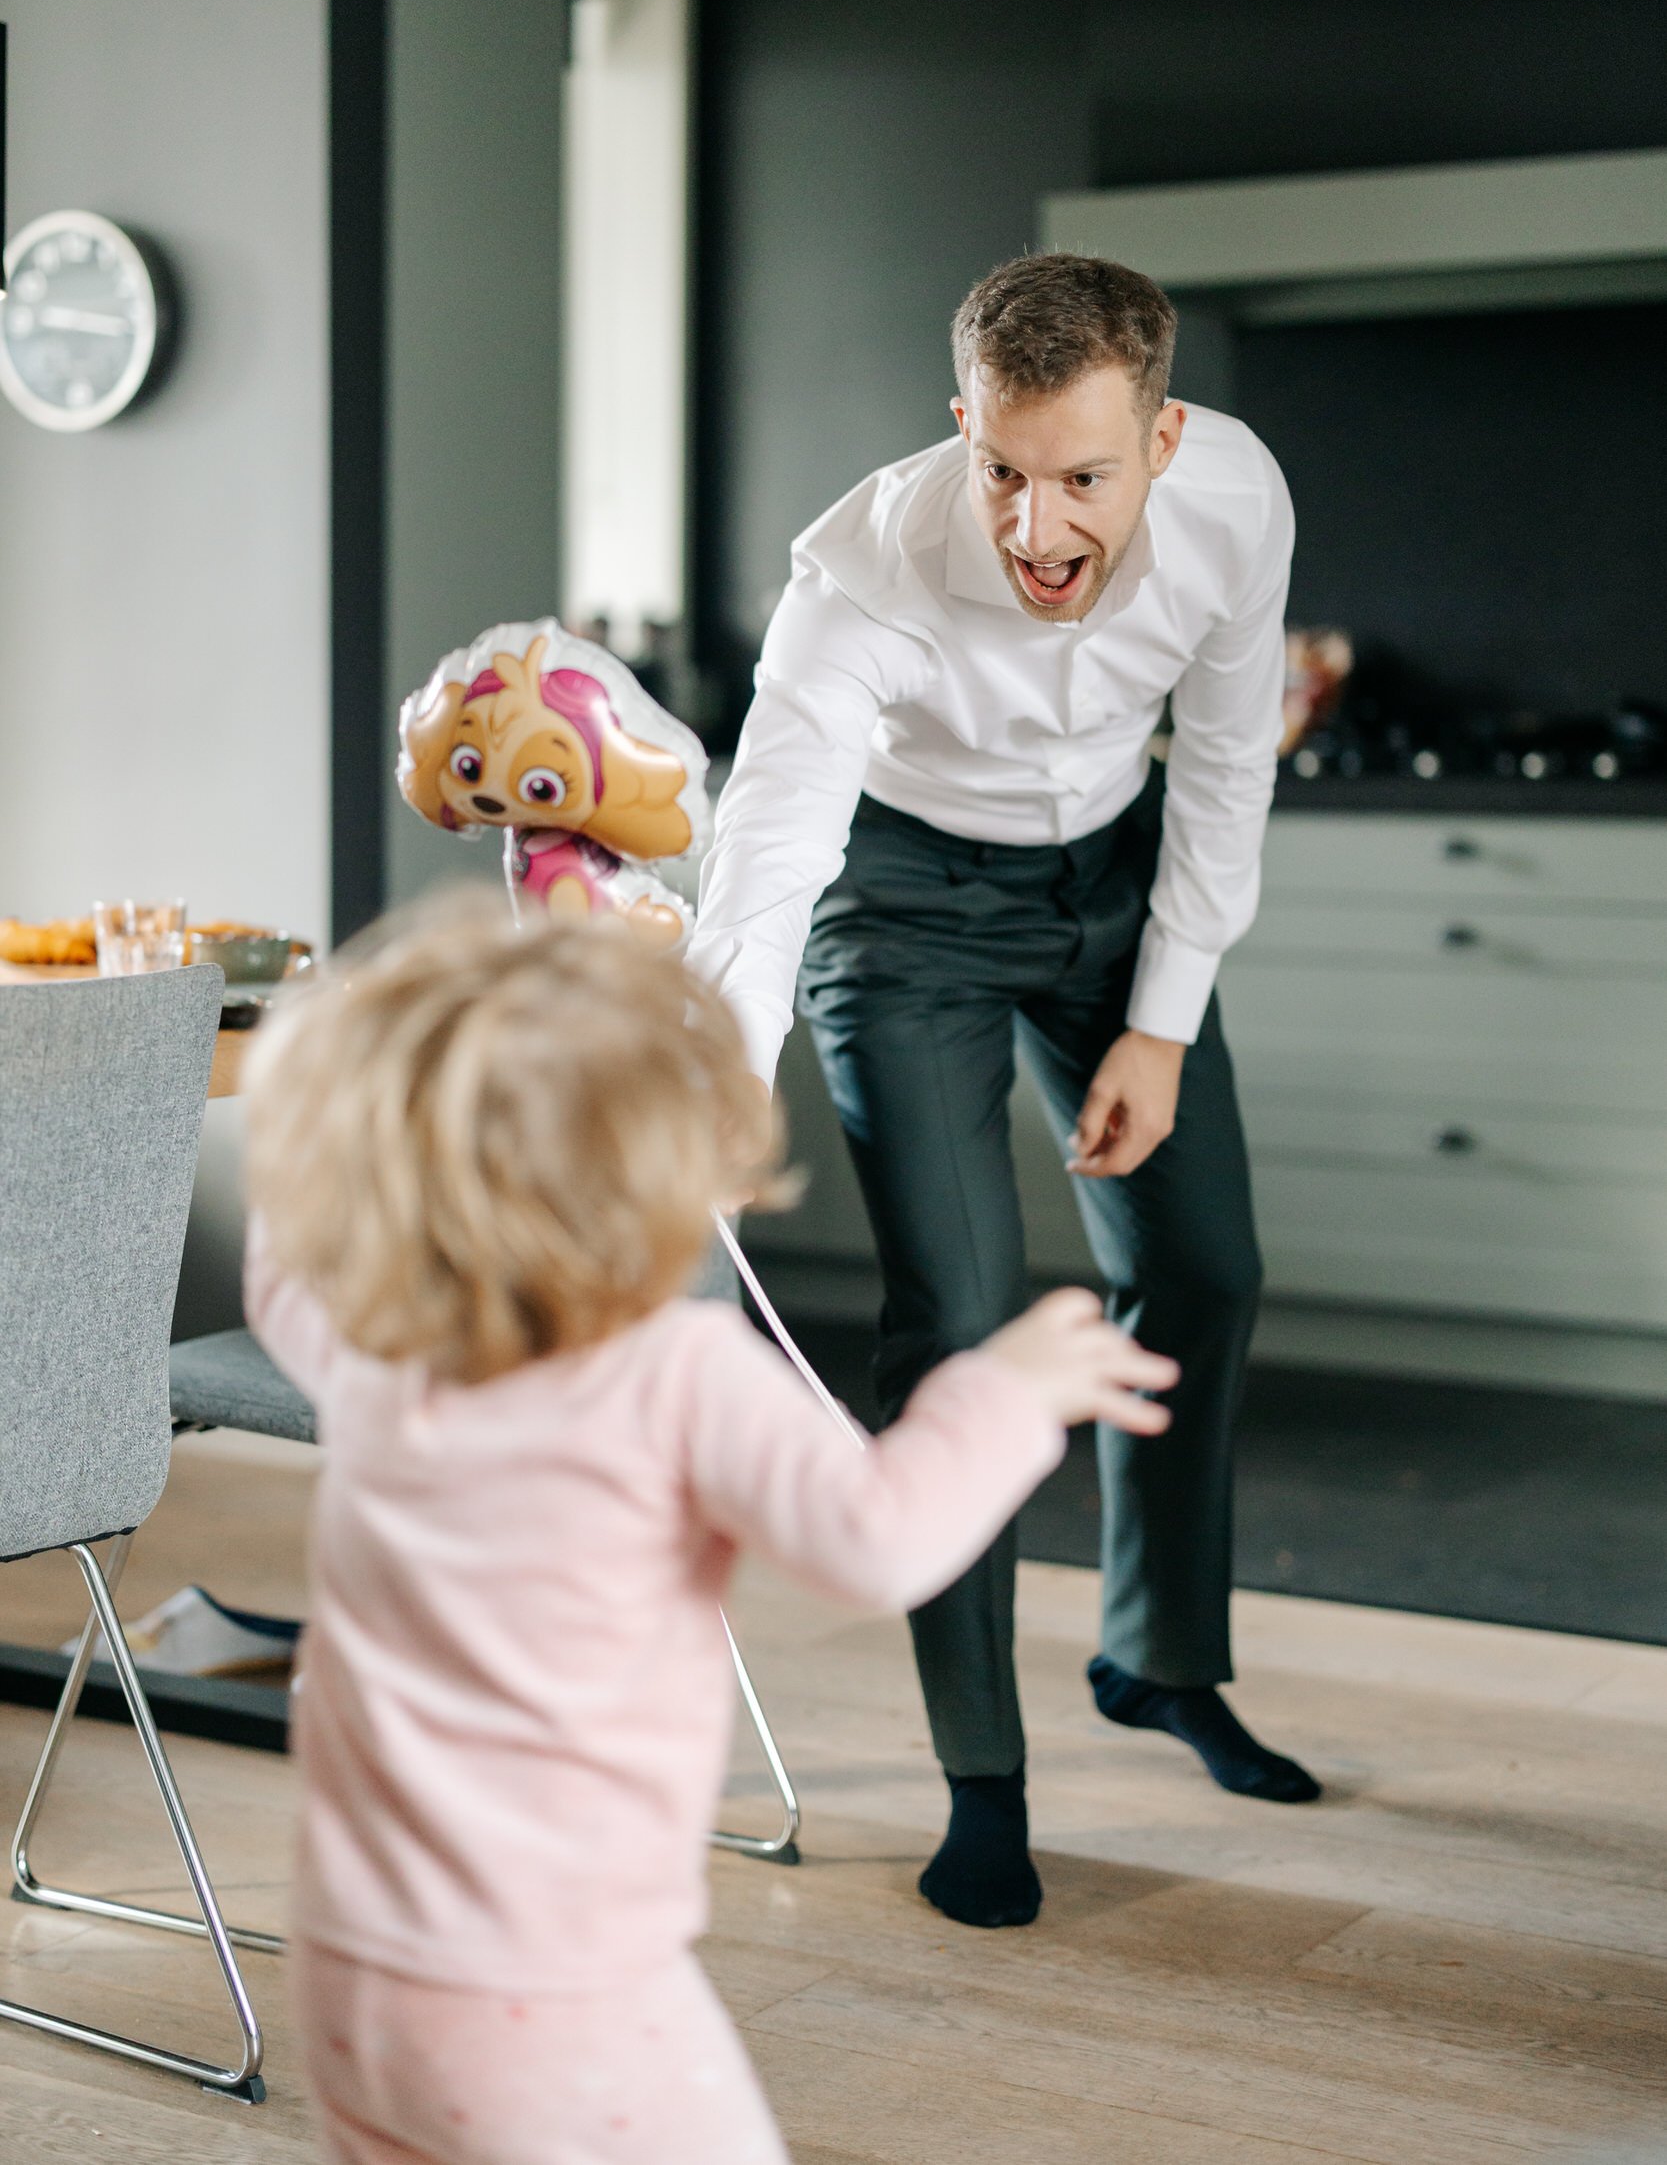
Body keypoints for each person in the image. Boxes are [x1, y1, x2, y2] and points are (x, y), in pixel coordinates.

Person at [242, 896, 1179, 2165]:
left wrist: (379, 1053)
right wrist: (1002, 1393)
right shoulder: (676, 1372)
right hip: (558, 1995)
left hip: (351, 1965)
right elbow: (874, 1537)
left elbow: (284, 1255)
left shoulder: (376, 1341)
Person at [689, 251, 1320, 1937]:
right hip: (902, 912)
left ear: (1163, 440)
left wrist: (1162, 1020)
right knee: (958, 1330)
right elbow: (766, 853)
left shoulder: (1237, 501)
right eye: (1002, 470)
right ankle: (984, 1779)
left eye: (1083, 478)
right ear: (958, 421)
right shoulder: (861, 576)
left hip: (1112, 887)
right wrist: (697, 1094)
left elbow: (1228, 760)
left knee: (1202, 1270)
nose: (1037, 528)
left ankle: (1158, 1659)